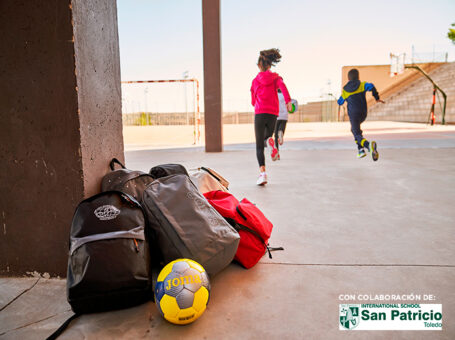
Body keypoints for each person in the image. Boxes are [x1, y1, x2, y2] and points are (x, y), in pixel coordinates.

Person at [251, 48, 293, 185]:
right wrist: (287, 101)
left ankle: (263, 174)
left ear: (259, 65)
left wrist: (256, 102)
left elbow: (253, 100)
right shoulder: (276, 78)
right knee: (268, 137)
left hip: (260, 112)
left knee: (259, 146)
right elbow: (283, 87)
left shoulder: (255, 81)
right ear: (270, 65)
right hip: (273, 113)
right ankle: (271, 141)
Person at [337, 68, 385, 160]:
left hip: (353, 115)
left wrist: (342, 98)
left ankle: (368, 146)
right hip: (363, 114)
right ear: (358, 77)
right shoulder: (362, 85)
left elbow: (340, 102)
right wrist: (376, 97)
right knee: (355, 130)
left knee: (356, 133)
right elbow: (371, 86)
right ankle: (360, 150)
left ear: (348, 79)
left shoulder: (345, 91)